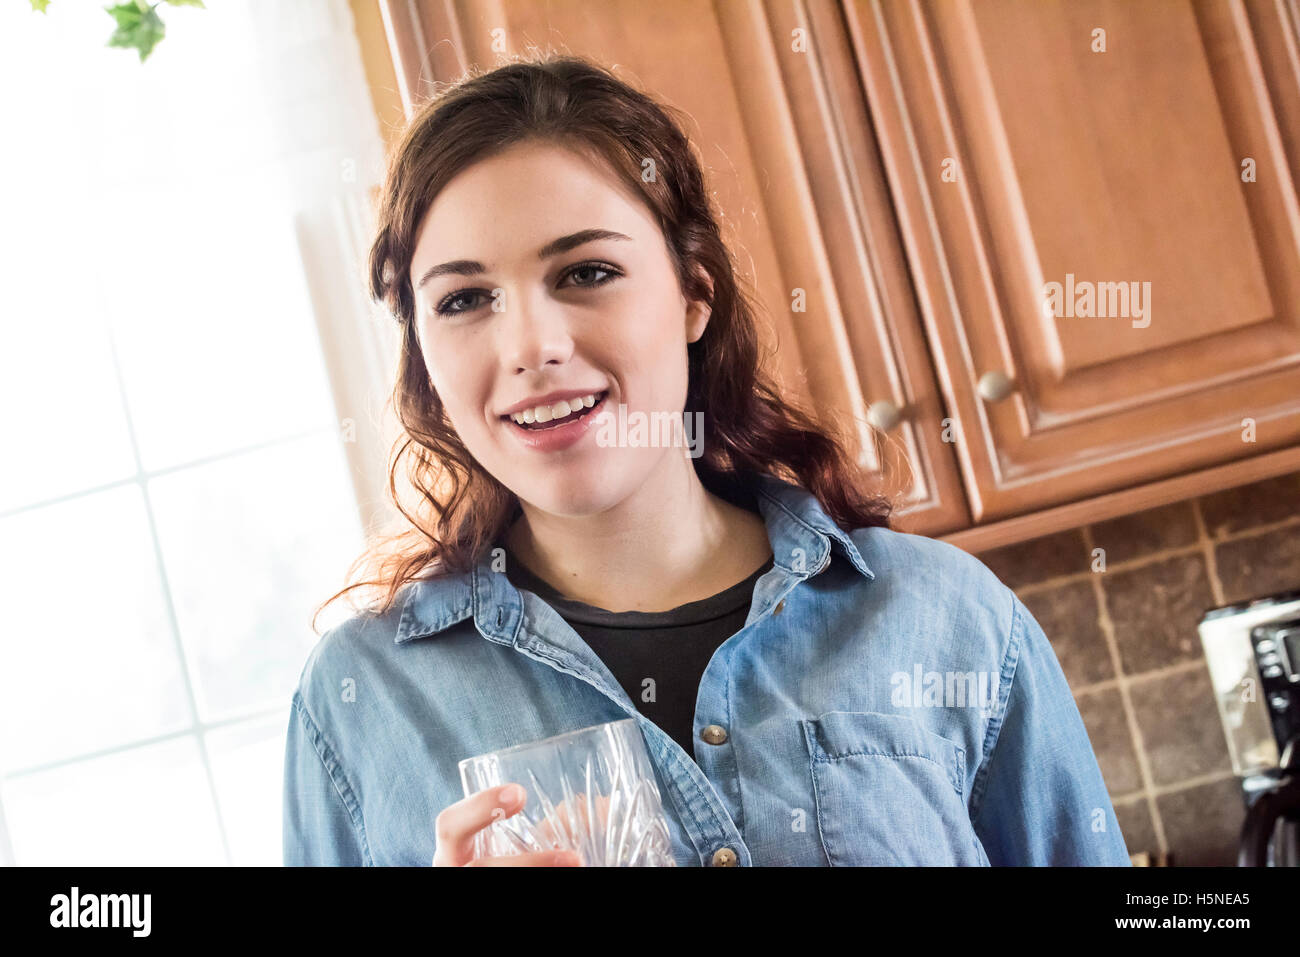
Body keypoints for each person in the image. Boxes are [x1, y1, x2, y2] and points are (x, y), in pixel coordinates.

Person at [281, 54, 1131, 867]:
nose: (533, 345)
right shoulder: (361, 702)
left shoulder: (949, 619)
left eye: (585, 271)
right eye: (464, 299)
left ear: (694, 293)